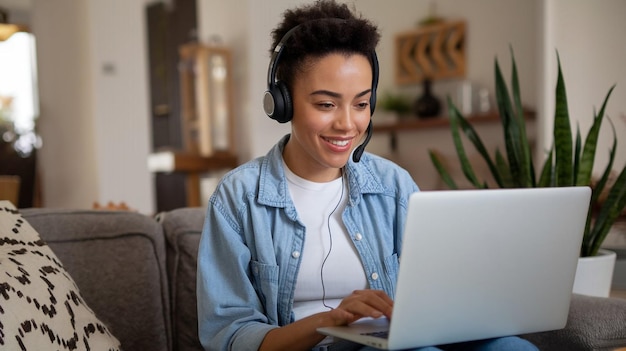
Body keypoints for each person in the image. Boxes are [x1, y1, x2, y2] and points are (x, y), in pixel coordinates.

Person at [196, 1, 539, 350]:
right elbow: (230, 336)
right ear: (282, 103)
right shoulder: (237, 198)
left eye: (360, 104)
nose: (348, 124)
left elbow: (434, 294)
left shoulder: (393, 185)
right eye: (326, 105)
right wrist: (329, 321)